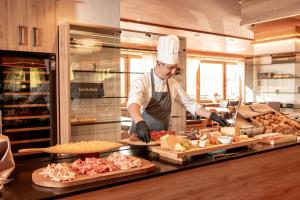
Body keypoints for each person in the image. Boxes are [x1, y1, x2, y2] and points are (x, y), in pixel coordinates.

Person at [127, 35, 228, 143]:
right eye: (170, 68)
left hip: (160, 139)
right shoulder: (142, 81)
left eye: (175, 67)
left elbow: (191, 104)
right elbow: (133, 103)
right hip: (139, 137)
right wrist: (139, 122)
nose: (174, 72)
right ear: (159, 64)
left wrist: (211, 115)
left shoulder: (173, 84)